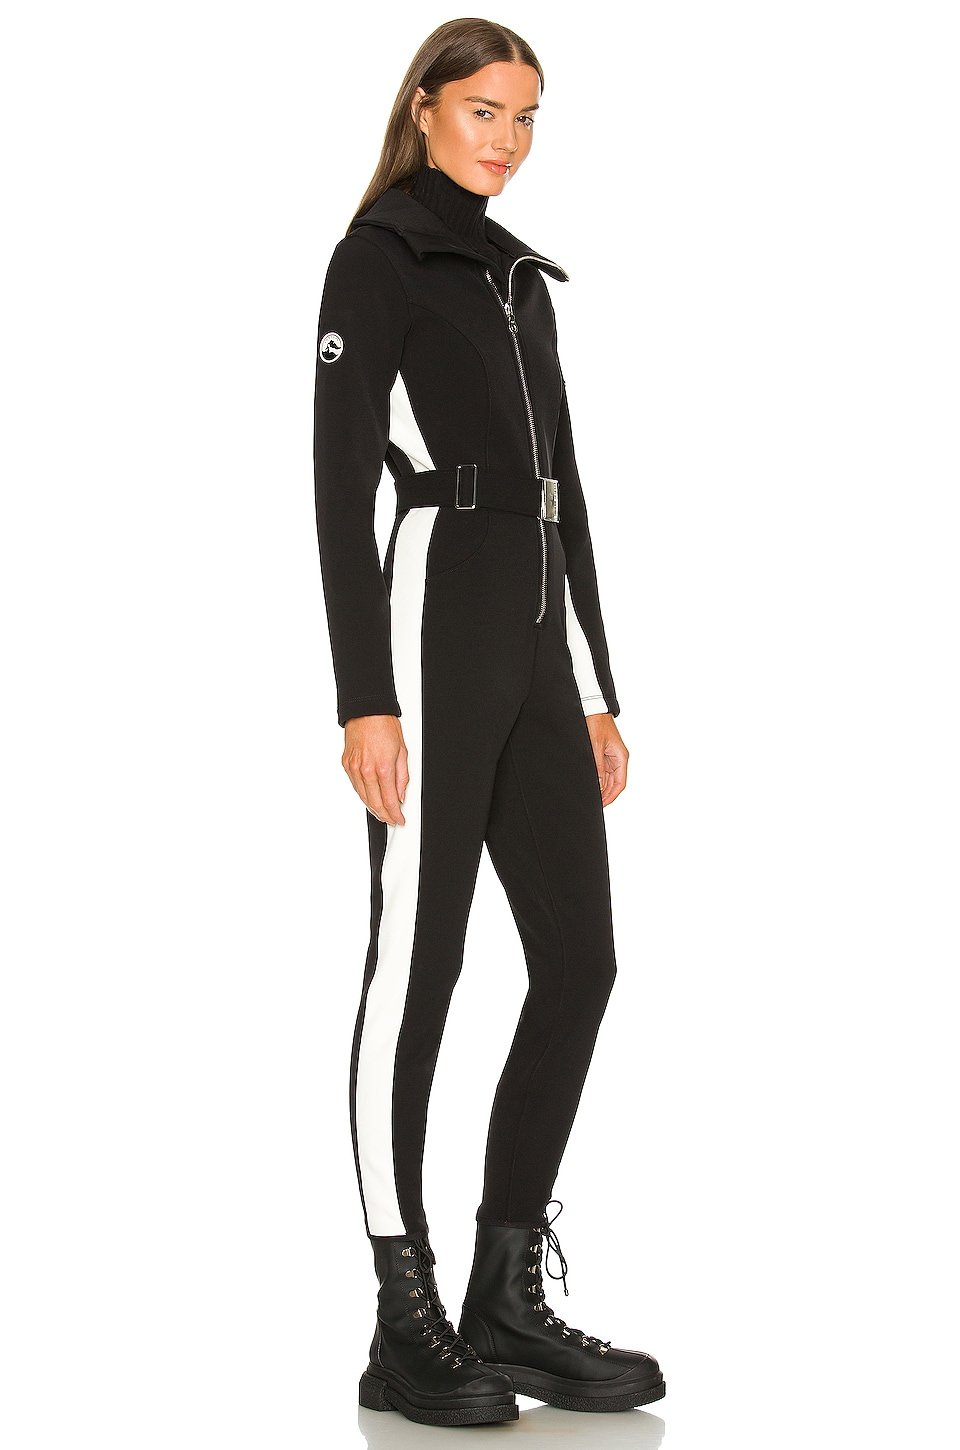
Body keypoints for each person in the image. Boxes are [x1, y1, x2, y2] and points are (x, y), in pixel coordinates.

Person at [313, 18, 665, 1427]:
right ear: (425, 106)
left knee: (581, 957)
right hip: (433, 619)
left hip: (534, 635)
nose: (507, 141)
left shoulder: (522, 280)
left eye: (526, 118)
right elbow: (337, 488)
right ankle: (402, 1313)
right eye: (483, 111)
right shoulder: (379, 258)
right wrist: (364, 695)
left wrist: (595, 688)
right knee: (423, 960)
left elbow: (565, 491)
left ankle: (504, 1297)